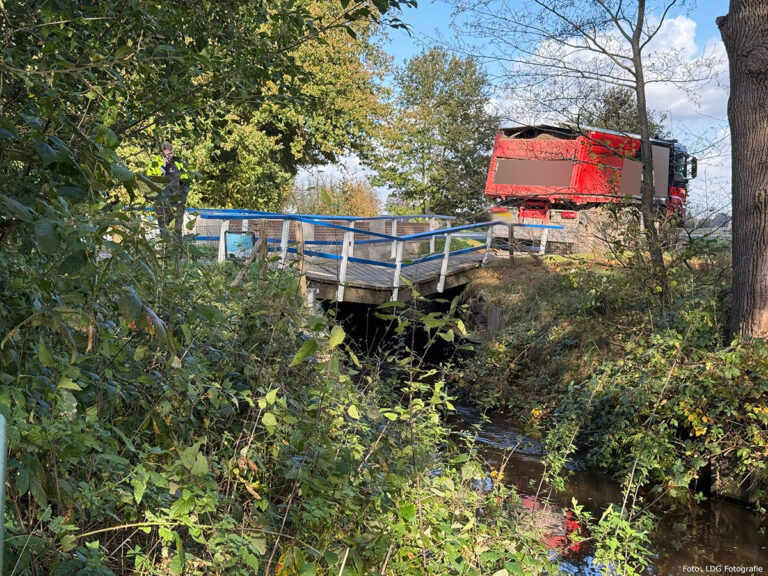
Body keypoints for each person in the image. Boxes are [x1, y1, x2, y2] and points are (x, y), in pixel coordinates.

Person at [147, 141, 190, 238]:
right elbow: (152, 180)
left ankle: (178, 250)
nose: (169, 156)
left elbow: (186, 182)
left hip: (176, 202)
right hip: (162, 202)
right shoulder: (155, 163)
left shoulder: (178, 163)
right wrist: (163, 166)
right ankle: (165, 251)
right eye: (167, 154)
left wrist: (182, 198)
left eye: (171, 153)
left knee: (177, 230)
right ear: (162, 153)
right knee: (164, 231)